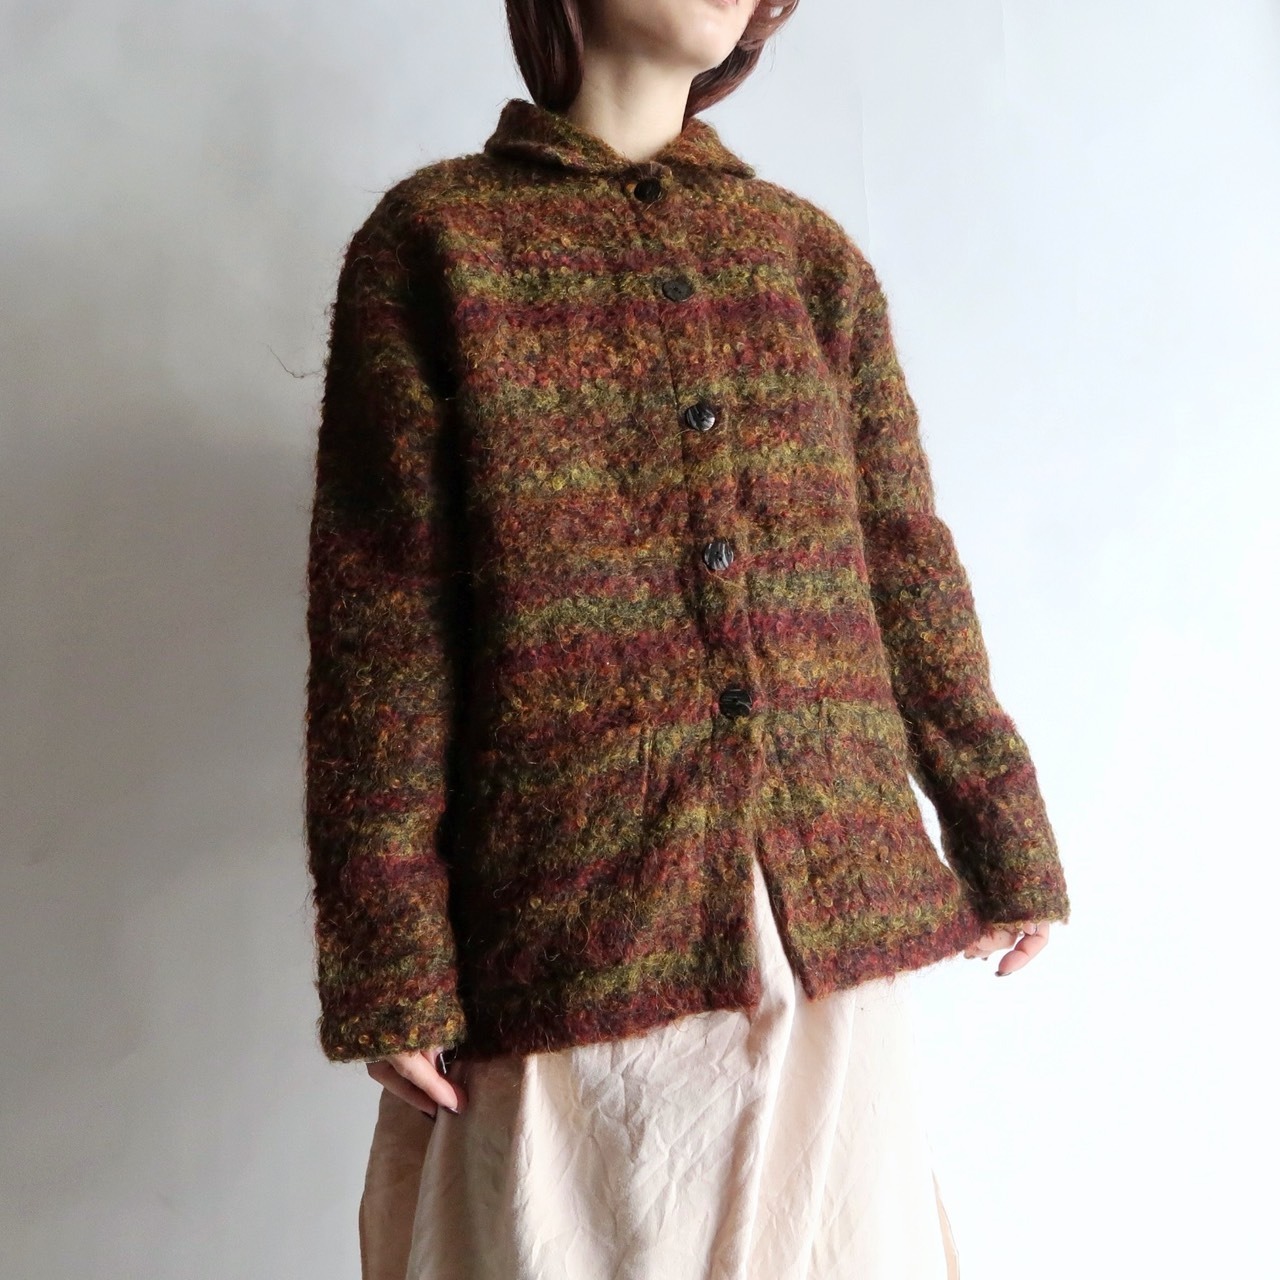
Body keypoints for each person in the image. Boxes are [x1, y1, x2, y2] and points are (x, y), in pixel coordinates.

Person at [303, 2, 1071, 1276]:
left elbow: (901, 558)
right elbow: (383, 629)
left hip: (820, 927)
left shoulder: (805, 258)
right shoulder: (437, 243)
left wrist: (999, 822)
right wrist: (389, 952)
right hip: (569, 929)